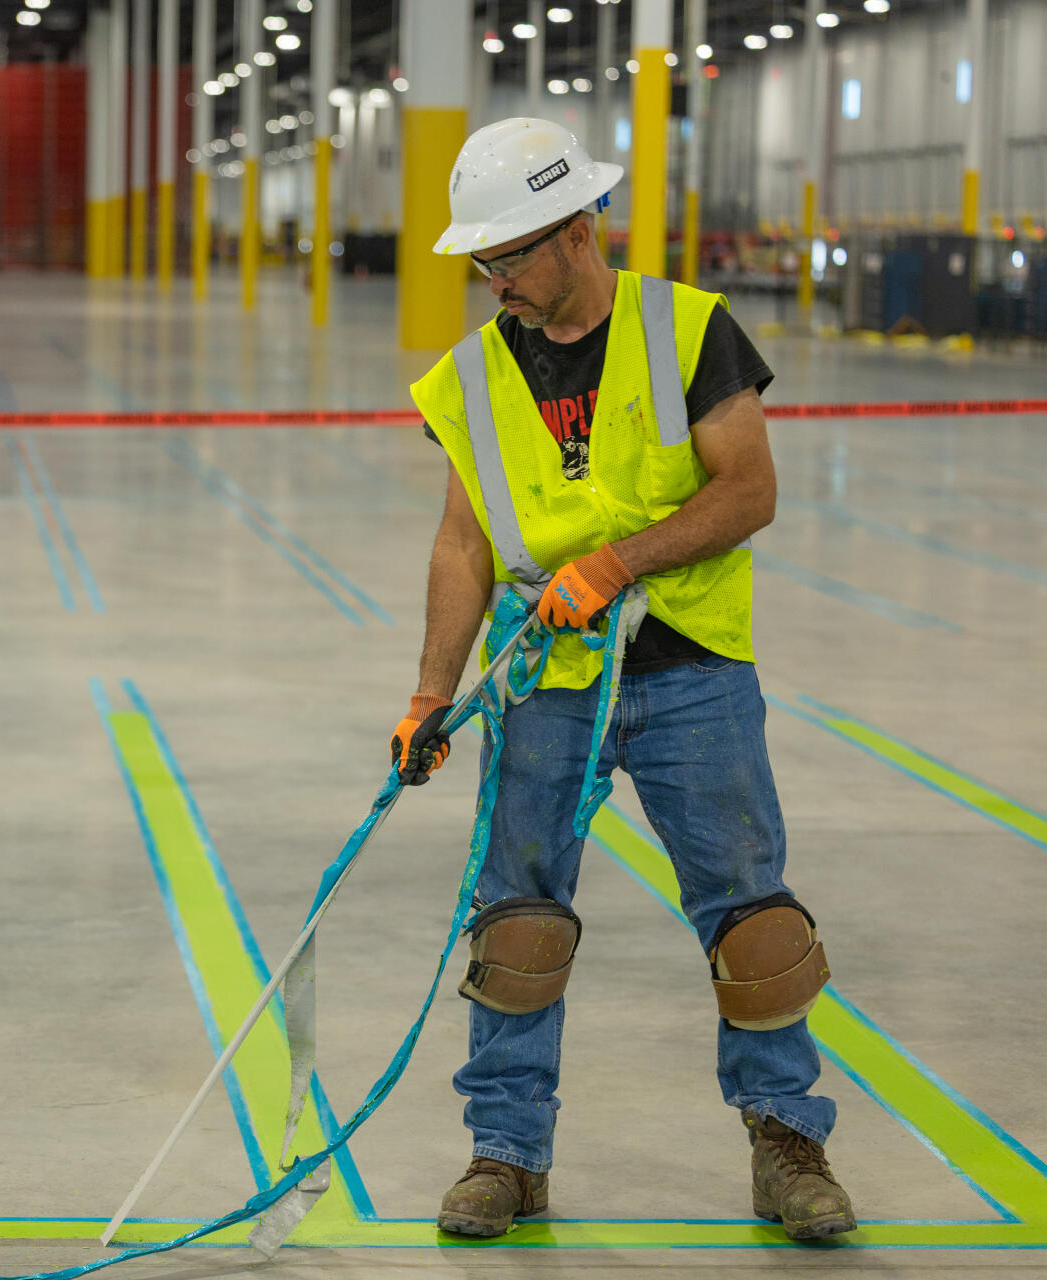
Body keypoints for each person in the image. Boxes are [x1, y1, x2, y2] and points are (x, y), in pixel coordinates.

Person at [388, 118, 855, 1242]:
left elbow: (748, 490)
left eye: (510, 256)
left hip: (692, 671)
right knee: (519, 920)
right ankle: (507, 1153)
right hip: (547, 677)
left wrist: (619, 560)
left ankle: (787, 1143)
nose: (494, 282)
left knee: (753, 920)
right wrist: (428, 692)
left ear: (578, 228)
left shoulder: (690, 329)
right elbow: (463, 543)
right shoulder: (474, 373)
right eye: (482, 262)